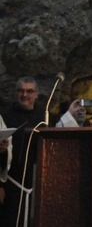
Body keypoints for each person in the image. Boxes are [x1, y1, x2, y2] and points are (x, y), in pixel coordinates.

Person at [56, 98, 92, 223]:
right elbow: (60, 130)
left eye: (83, 110)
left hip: (91, 175)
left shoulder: (91, 132)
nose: (81, 112)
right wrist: (69, 114)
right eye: (77, 110)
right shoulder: (62, 125)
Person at [0, 77, 45, 226]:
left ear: (37, 94)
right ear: (15, 93)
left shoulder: (44, 117)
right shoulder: (4, 116)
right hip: (11, 183)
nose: (24, 95)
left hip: (38, 184)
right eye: (20, 90)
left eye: (29, 91)